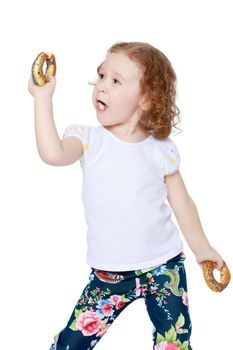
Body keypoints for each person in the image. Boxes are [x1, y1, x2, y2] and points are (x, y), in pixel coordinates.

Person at [28, 41, 224, 350]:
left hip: (164, 266)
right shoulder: (87, 139)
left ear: (146, 98)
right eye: (101, 76)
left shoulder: (162, 150)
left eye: (115, 80)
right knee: (71, 343)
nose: (101, 87)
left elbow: (182, 203)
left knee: (175, 342)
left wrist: (203, 249)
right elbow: (52, 154)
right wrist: (42, 99)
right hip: (109, 273)